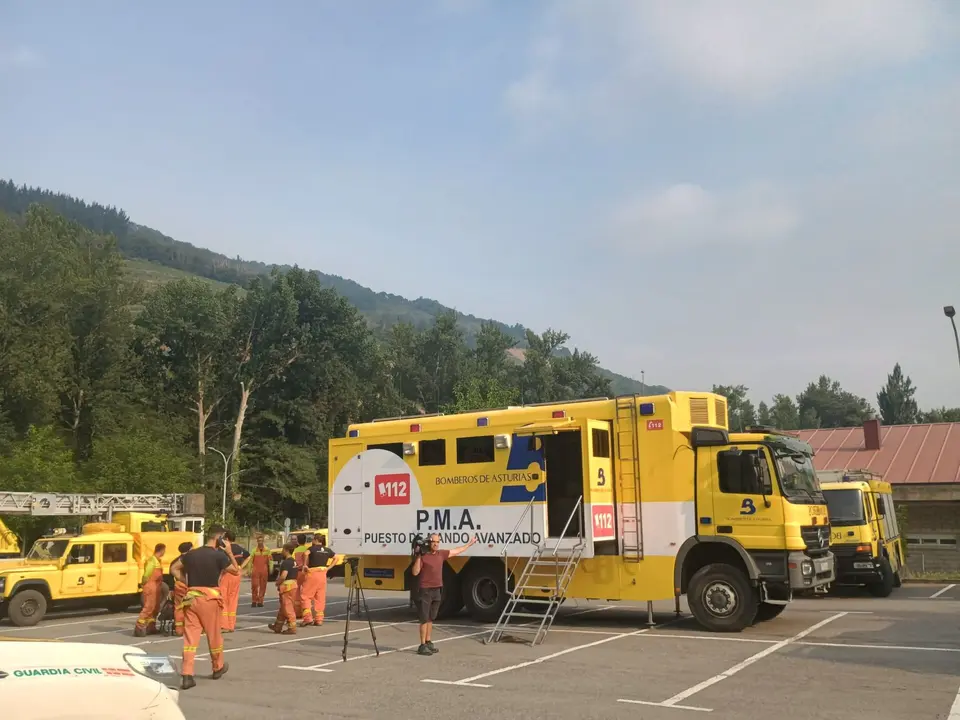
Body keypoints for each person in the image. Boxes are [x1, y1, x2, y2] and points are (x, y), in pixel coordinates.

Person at [174, 526, 240, 691]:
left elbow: (173, 568)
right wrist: (230, 552)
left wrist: (187, 583)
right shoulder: (219, 556)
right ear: (219, 538)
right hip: (210, 599)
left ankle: (187, 674)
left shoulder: (191, 554)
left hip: (191, 598)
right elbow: (236, 571)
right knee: (214, 636)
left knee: (190, 640)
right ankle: (217, 667)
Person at [411, 533, 477, 656]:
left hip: (437, 590)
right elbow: (415, 572)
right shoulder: (424, 556)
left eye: (438, 542)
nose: (436, 544)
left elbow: (456, 551)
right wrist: (418, 556)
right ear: (429, 542)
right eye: (434, 542)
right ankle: (422, 645)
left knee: (431, 617)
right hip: (425, 590)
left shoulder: (441, 554)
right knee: (424, 618)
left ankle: (428, 641)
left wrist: (469, 544)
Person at [300, 533, 344, 626]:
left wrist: (304, 565)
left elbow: (305, 553)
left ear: (315, 540)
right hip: (323, 573)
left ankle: (307, 618)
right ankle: (319, 619)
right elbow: (336, 557)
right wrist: (329, 567)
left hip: (312, 573)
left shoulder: (312, 548)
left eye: (313, 540)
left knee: (306, 596)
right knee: (319, 597)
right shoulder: (327, 550)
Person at [219, 530, 250, 632]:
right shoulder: (240, 548)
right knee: (233, 599)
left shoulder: (225, 549)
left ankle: (224, 625)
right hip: (237, 575)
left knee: (224, 599)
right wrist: (241, 566)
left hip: (227, 573)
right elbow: (249, 556)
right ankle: (231, 625)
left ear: (227, 539)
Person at [134, 543, 166, 637]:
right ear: (162, 550)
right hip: (151, 586)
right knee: (149, 607)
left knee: (155, 608)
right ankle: (139, 627)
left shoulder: (157, 560)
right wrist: (144, 583)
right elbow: (146, 574)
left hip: (156, 586)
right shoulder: (152, 560)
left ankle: (151, 627)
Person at [270, 543, 299, 634]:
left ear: (286, 550)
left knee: (287, 607)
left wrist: (278, 582)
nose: (282, 551)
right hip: (293, 585)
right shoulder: (294, 561)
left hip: (287, 587)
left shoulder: (286, 562)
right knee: (283, 608)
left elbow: (283, 576)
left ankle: (292, 627)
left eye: (283, 549)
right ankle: (277, 626)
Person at [169, 541, 193, 637]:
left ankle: (179, 630)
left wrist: (171, 589)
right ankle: (190, 628)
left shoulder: (174, 560)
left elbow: (170, 576)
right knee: (190, 608)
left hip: (178, 586)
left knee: (178, 608)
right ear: (189, 549)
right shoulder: (189, 560)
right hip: (187, 586)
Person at [249, 535, 272, 607]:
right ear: (257, 541)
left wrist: (271, 569)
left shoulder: (267, 550)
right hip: (255, 570)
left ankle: (260, 601)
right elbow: (250, 561)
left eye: (261, 540)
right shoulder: (254, 550)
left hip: (264, 570)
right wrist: (249, 570)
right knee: (254, 586)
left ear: (263, 541)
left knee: (263, 586)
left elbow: (270, 561)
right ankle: (254, 600)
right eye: (259, 541)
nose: (260, 542)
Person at [292, 533, 309, 618]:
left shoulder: (295, 550)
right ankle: (306, 612)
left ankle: (298, 612)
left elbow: (292, 561)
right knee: (306, 592)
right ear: (305, 541)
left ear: (298, 541)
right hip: (306, 572)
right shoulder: (307, 549)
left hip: (297, 572)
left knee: (297, 592)